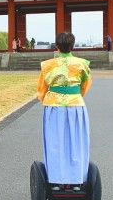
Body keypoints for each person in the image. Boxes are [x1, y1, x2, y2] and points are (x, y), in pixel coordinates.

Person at [36, 32, 92, 184]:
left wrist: (45, 98)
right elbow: (85, 87)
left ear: (57, 47)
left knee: (55, 142)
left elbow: (41, 89)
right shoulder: (82, 64)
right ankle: (77, 177)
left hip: (53, 107)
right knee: (76, 143)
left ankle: (55, 177)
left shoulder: (47, 65)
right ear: (73, 46)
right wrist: (74, 95)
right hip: (76, 107)